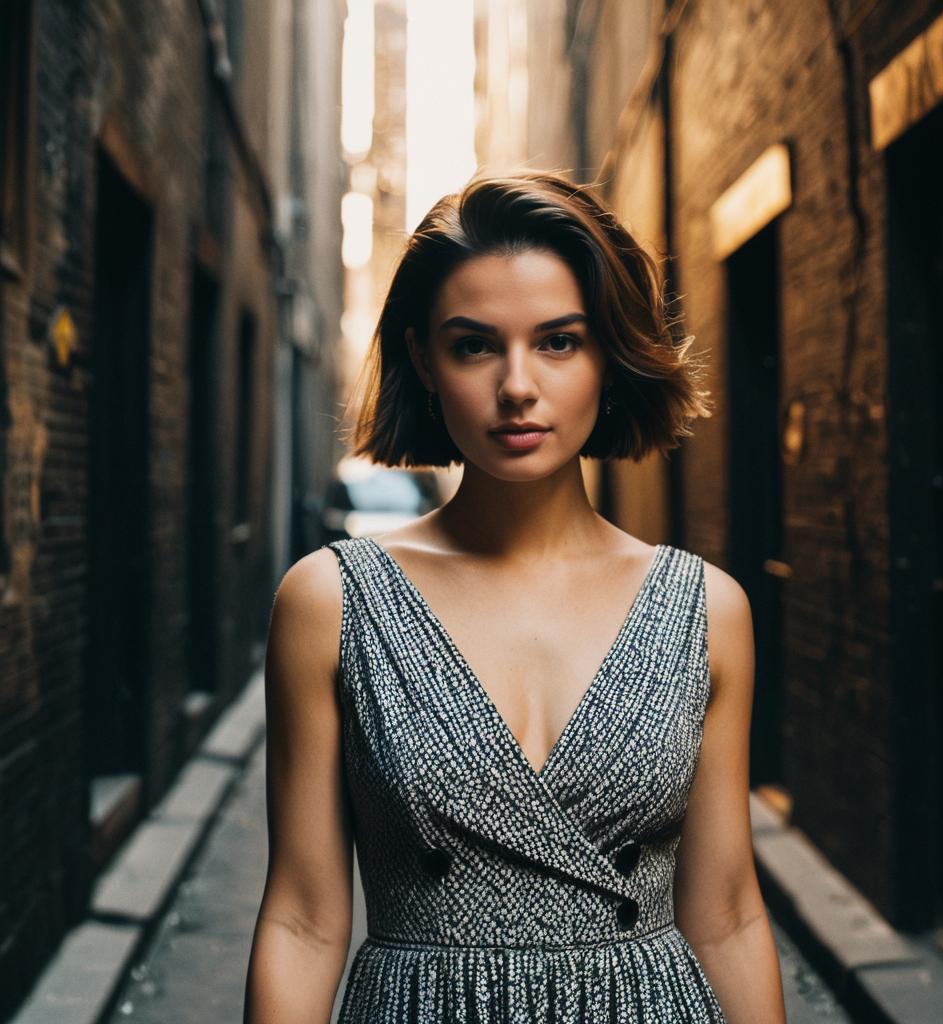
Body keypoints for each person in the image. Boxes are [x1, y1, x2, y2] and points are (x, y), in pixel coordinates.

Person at [244, 170, 787, 1023]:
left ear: (608, 356)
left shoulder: (706, 611)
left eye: (559, 341)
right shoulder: (330, 603)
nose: (518, 386)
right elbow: (305, 921)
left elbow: (725, 915)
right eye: (475, 345)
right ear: (424, 359)